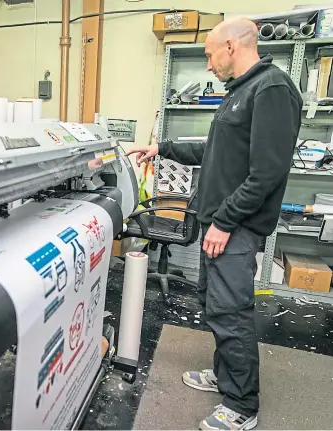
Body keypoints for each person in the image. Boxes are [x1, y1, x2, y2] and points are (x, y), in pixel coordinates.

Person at [127, 18, 302, 431]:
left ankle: (242, 406)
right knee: (213, 304)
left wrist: (224, 221)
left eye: (208, 55)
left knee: (231, 312)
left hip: (235, 228)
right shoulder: (239, 92)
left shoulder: (271, 88)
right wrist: (161, 147)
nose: (208, 65)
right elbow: (217, 149)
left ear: (230, 46)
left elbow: (267, 173)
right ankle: (226, 378)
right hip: (221, 225)